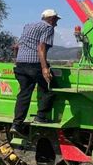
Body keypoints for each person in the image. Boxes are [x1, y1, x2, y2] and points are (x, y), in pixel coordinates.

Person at [10, 9, 61, 137]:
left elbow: (16, 46)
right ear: (51, 18)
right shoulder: (48, 28)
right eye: (56, 20)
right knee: (51, 88)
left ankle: (16, 124)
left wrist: (17, 61)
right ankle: (41, 116)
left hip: (21, 64)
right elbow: (41, 48)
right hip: (35, 64)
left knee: (24, 93)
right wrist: (44, 68)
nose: (56, 23)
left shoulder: (28, 26)